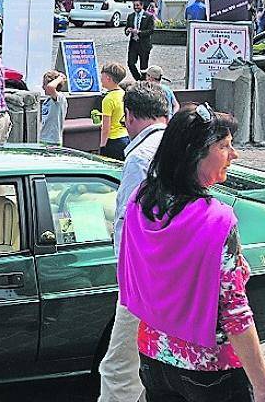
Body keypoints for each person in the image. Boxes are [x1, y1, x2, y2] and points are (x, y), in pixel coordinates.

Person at [118, 104, 265, 402]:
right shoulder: (217, 219)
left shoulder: (142, 201)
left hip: (153, 353)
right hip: (209, 367)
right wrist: (263, 386)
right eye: (225, 146)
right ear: (195, 153)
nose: (234, 155)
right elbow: (235, 313)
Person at [96, 81, 169, 402]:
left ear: (128, 115)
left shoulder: (140, 157)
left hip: (144, 276)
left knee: (118, 368)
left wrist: (126, 278)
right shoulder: (177, 145)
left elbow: (128, 221)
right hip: (172, 271)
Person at [98, 62, 129, 160]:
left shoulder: (108, 99)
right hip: (125, 136)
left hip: (113, 139)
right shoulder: (124, 93)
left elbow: (106, 128)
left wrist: (102, 146)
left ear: (108, 78)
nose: (101, 80)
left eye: (102, 77)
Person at [125, 0, 154, 81]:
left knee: (143, 66)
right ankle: (138, 79)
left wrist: (139, 32)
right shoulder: (131, 16)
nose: (136, 7)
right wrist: (127, 31)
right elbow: (127, 27)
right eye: (134, 6)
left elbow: (151, 30)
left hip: (144, 44)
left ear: (142, 5)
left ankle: (144, 81)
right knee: (130, 63)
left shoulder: (148, 16)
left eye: (137, 5)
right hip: (133, 44)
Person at [40, 70, 68, 146]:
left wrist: (60, 78)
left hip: (53, 140)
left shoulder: (60, 98)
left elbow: (50, 87)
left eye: (44, 84)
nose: (43, 87)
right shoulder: (48, 100)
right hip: (43, 138)